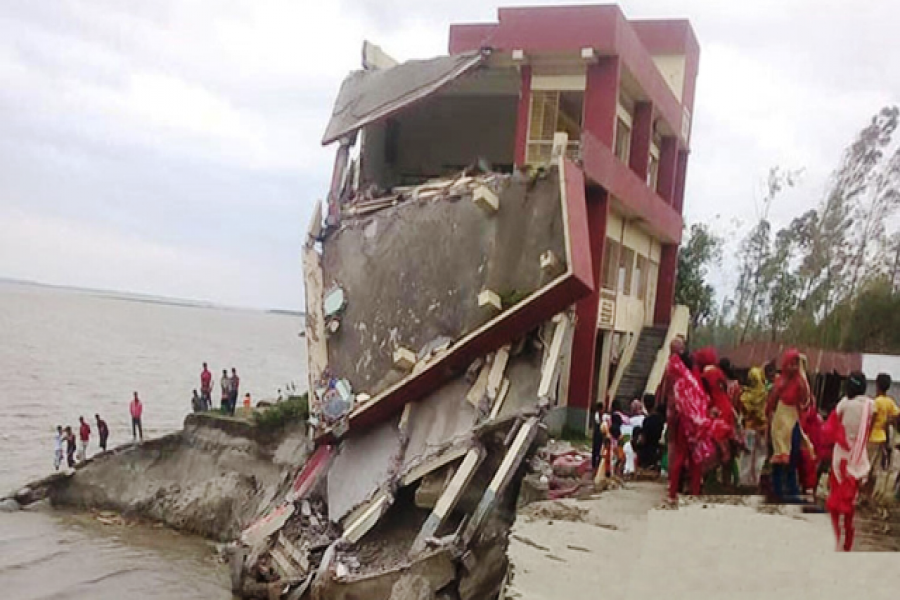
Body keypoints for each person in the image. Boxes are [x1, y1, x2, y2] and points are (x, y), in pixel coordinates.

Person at [824, 371, 874, 552]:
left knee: (836, 500)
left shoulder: (844, 404)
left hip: (841, 459)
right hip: (859, 458)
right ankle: (848, 542)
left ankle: (835, 538)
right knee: (850, 501)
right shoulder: (870, 405)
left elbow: (830, 427)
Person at [663, 338, 714, 504]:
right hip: (694, 420)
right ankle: (693, 491)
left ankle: (673, 491)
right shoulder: (691, 375)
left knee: (679, 455)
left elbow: (667, 393)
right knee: (695, 458)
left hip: (680, 418)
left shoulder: (674, 371)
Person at [765, 349, 814, 503]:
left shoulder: (800, 382)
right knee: (779, 458)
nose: (793, 367)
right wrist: (769, 421)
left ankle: (792, 492)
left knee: (792, 458)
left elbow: (806, 401)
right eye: (790, 363)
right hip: (779, 423)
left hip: (792, 421)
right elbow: (770, 404)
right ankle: (778, 491)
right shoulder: (780, 382)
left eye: (796, 364)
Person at [863, 373, 898, 502]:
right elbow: (896, 416)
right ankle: (869, 495)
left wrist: (866, 432)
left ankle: (862, 495)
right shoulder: (890, 402)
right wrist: (888, 422)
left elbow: (872, 418)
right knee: (875, 469)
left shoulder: (876, 402)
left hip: (872, 437)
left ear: (877, 384)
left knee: (866, 466)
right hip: (882, 438)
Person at [739, 367, 769, 488]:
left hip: (749, 428)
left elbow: (743, 411)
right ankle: (756, 479)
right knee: (760, 456)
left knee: (747, 455)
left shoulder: (745, 396)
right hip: (762, 428)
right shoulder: (764, 394)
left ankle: (745, 481)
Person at [638, 397, 665, 470]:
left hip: (647, 452)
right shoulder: (661, 419)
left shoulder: (647, 420)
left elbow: (643, 439)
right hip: (657, 450)